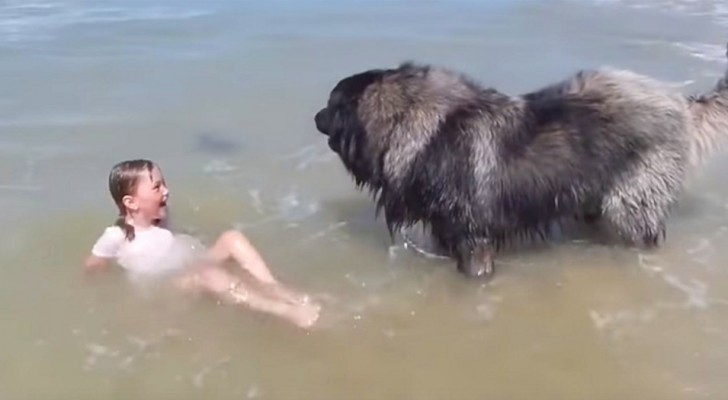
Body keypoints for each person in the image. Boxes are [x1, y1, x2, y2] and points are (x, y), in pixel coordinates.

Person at [84, 159, 320, 329]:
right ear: (131, 203)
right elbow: (92, 267)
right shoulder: (116, 237)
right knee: (208, 274)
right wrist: (103, 289)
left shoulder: (162, 215)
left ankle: (277, 289)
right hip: (168, 286)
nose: (166, 191)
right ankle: (285, 311)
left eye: (164, 183)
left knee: (231, 238)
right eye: (157, 187)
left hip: (192, 264)